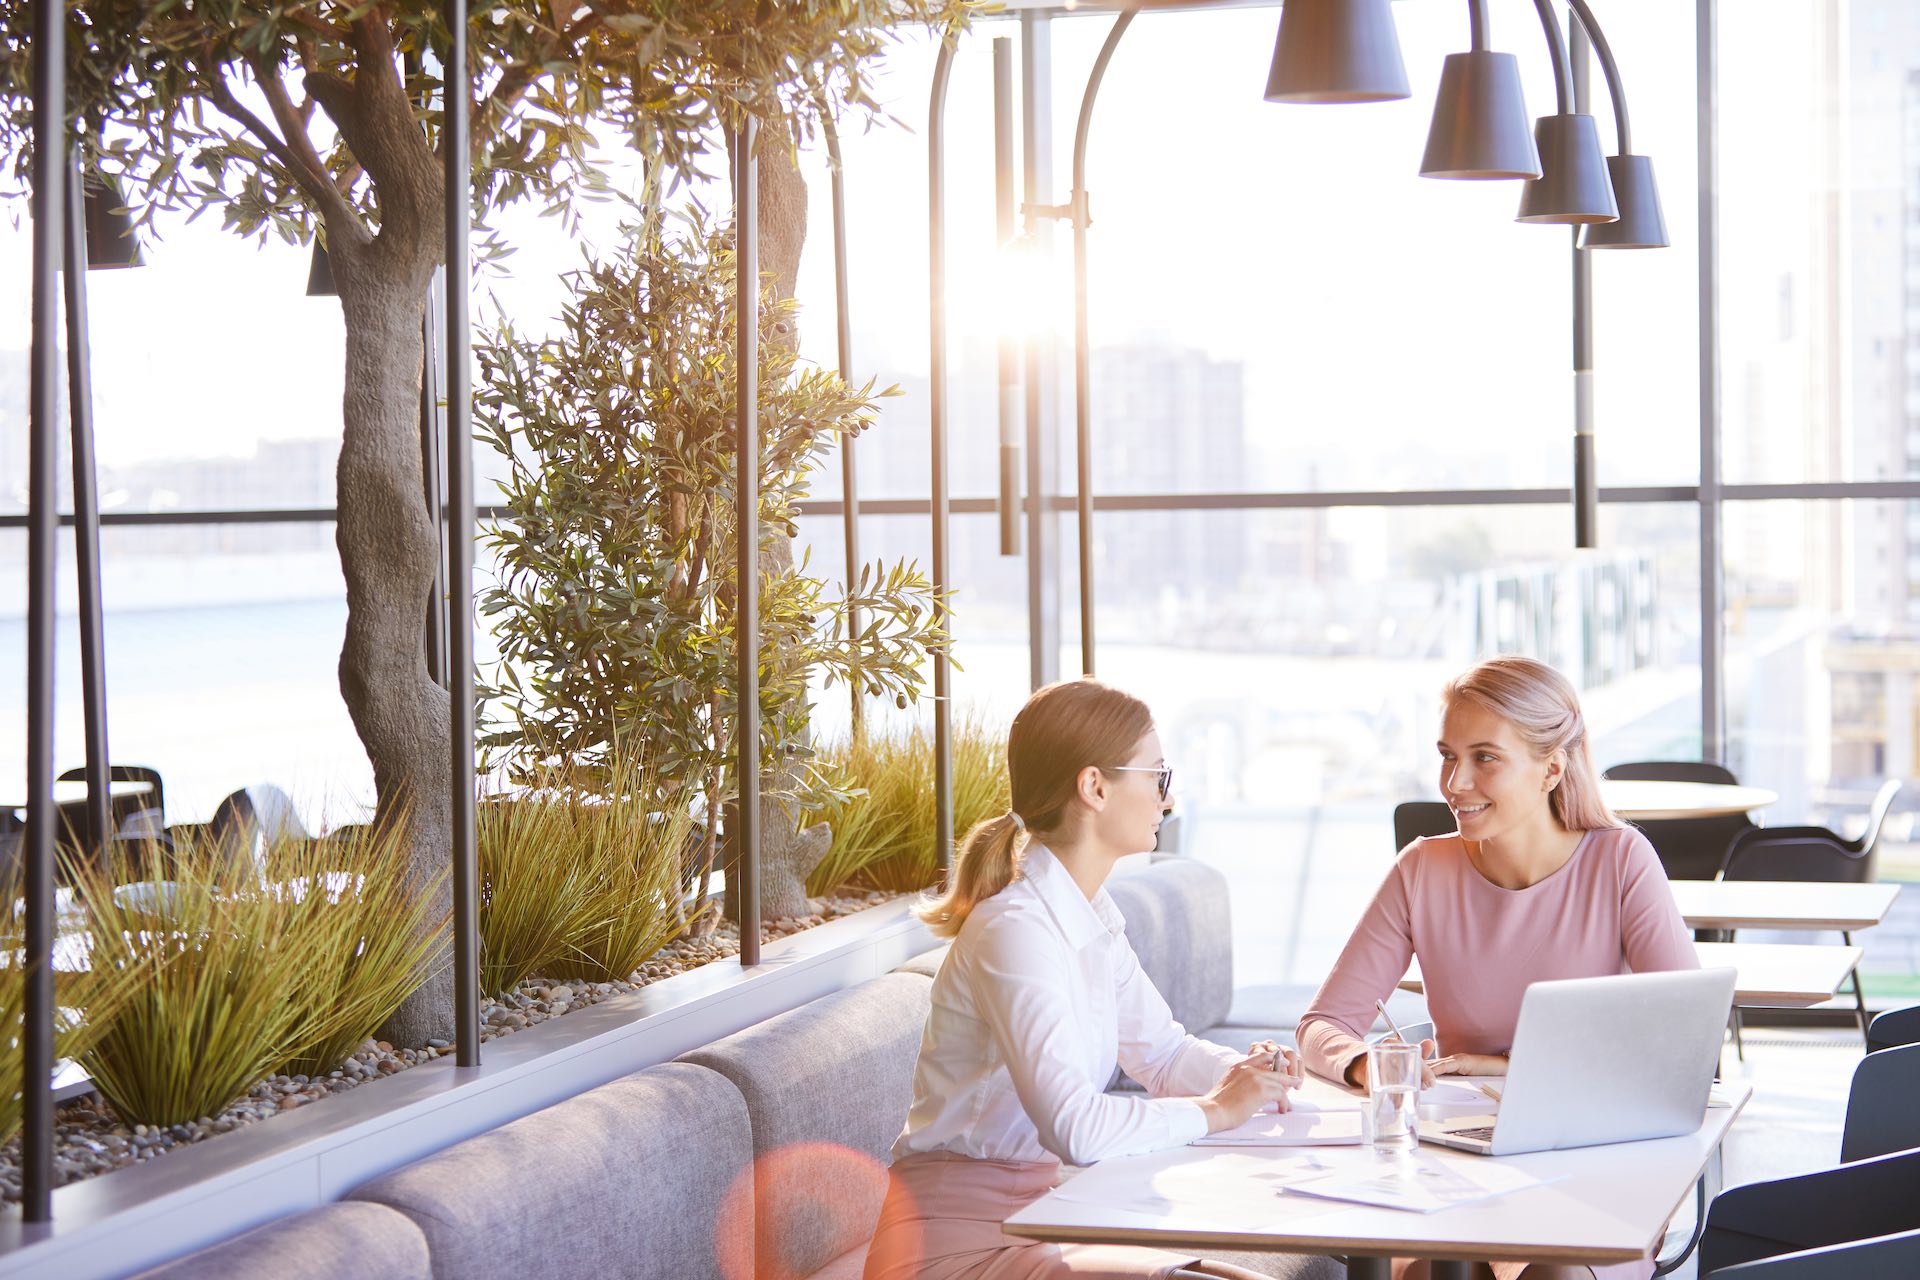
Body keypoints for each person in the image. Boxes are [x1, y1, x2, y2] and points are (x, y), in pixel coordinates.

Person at [865, 678, 1312, 1280]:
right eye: (1157, 776)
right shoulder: (1015, 930)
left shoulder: (1090, 918)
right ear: (1095, 787)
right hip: (948, 1252)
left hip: (1039, 1226)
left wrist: (1249, 1077)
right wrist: (1217, 1110)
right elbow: (1076, 1127)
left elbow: (1164, 1054)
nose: (1167, 799)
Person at [1296, 656, 1697, 1280]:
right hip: (1457, 1172)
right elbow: (1323, 1024)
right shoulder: (1422, 870)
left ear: (1552, 769)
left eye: (1485, 757)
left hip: (1591, 1168)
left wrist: (1514, 1067)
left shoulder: (1621, 862)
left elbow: (1679, 1049)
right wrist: (1363, 1061)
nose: (1455, 782)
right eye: (1447, 755)